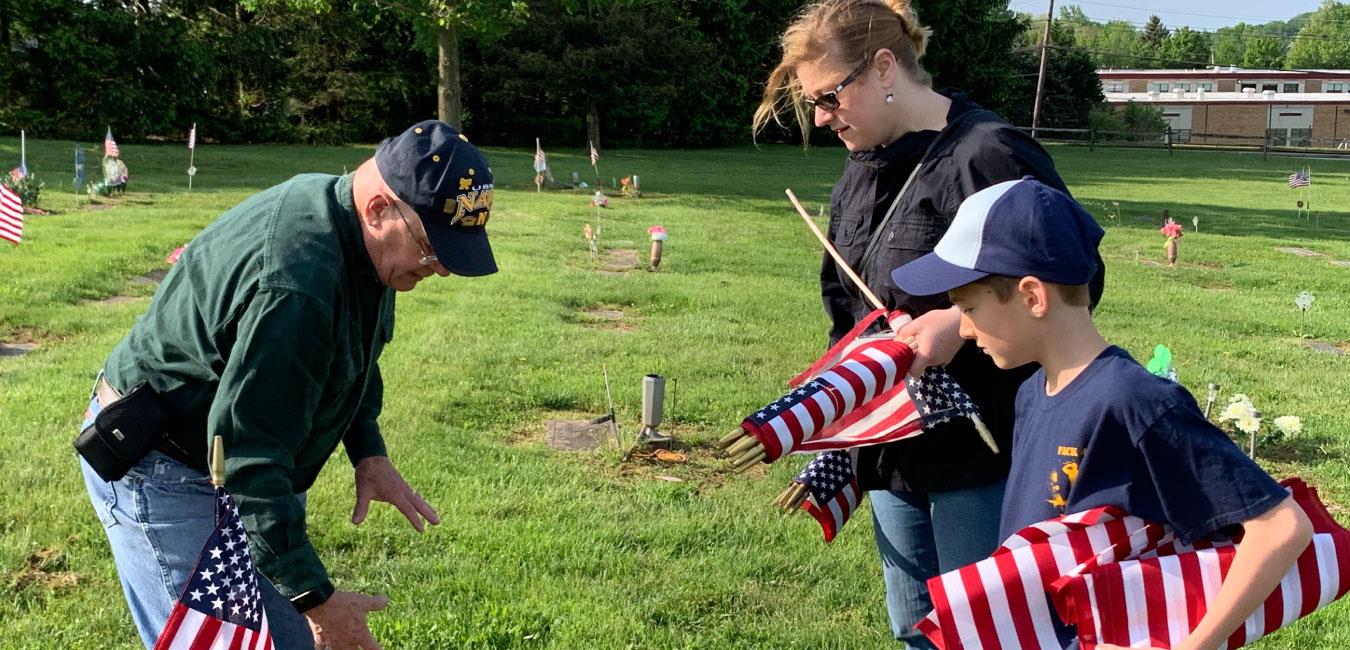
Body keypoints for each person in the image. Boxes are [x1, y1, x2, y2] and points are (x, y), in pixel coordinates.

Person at [751, 1, 1104, 645]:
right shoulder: (858, 173)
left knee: (993, 633)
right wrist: (842, 407)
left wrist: (957, 325)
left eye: (830, 96)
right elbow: (846, 312)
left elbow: (1077, 279)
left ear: (885, 66)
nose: (823, 117)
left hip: (984, 453)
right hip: (891, 450)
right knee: (916, 631)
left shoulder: (987, 155)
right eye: (813, 104)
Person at [77, 120, 497, 649]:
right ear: (379, 209)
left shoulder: (360, 239)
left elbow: (357, 351)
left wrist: (368, 450)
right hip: (163, 467)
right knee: (221, 640)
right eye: (433, 248)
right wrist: (318, 602)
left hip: (224, 456)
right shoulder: (298, 285)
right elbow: (251, 456)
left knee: (286, 637)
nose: (441, 269)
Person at [891, 177, 1312, 649]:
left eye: (968, 307)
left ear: (1032, 297)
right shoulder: (1032, 391)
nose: (963, 330)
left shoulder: (1135, 401)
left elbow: (1281, 527)